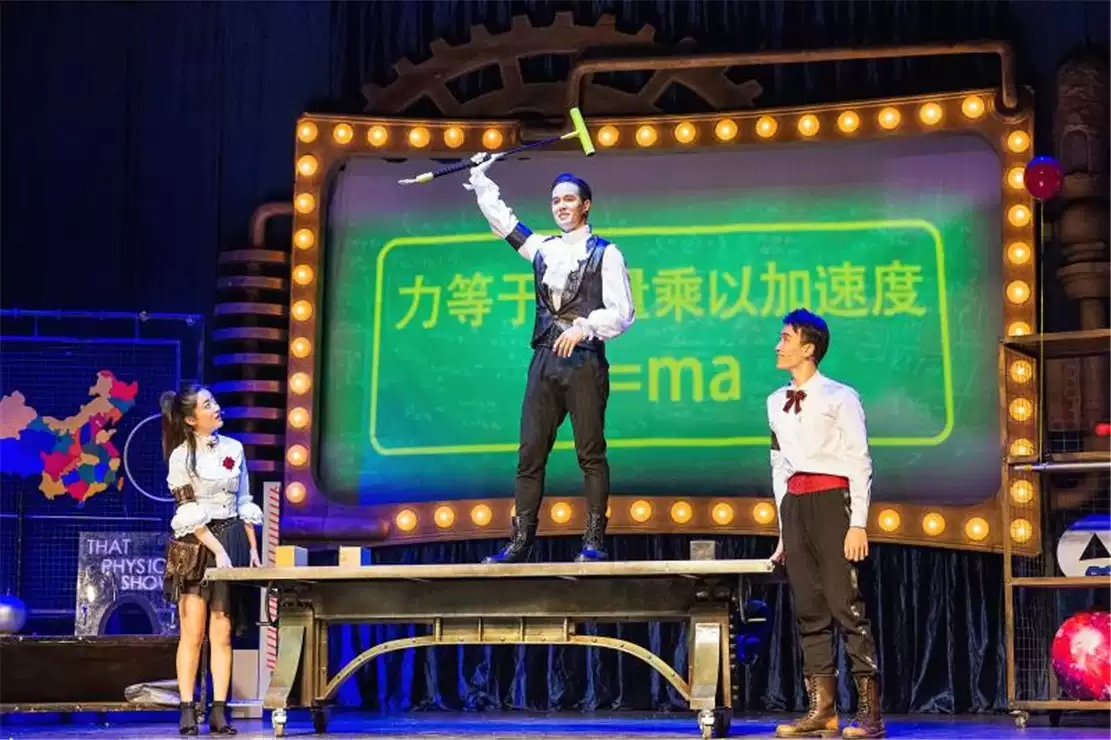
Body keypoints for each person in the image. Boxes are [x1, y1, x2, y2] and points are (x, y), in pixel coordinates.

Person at [464, 152, 635, 563]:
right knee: (530, 454)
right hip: (544, 360)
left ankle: (594, 541)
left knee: (590, 453)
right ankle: (521, 542)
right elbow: (504, 222)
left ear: (585, 205)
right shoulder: (543, 248)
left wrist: (584, 327)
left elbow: (623, 312)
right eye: (556, 200)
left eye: (569, 199)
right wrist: (480, 179)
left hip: (584, 362)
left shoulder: (606, 253)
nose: (561, 206)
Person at [767, 309, 885, 739]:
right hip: (796, 505)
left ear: (809, 347)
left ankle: (870, 714)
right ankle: (823, 710)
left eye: (786, 338)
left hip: (833, 503)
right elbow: (779, 465)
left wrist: (858, 523)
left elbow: (859, 460)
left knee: (845, 605)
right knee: (808, 608)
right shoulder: (775, 401)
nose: (778, 345)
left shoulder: (841, 397)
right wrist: (784, 531)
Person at [160, 384, 263, 735]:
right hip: (197, 543)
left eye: (213, 401)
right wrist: (217, 551)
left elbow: (244, 500)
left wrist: (252, 548)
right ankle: (187, 709)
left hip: (231, 538)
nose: (216, 407)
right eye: (207, 404)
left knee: (222, 632)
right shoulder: (181, 457)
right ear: (191, 419)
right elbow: (188, 510)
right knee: (193, 633)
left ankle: (220, 711)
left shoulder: (234, 448)